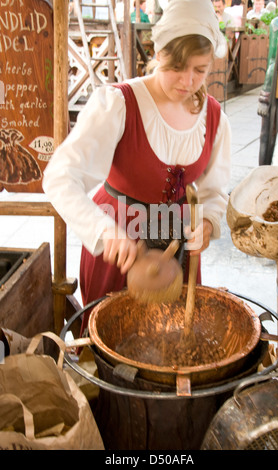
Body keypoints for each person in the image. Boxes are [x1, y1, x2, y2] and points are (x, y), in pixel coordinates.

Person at [43, 0, 231, 334]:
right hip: (120, 251)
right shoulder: (118, 104)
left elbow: (215, 191)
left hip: (180, 260)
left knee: (176, 342)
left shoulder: (215, 117)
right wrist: (104, 230)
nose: (189, 81)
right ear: (158, 53)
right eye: (178, 67)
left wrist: (208, 223)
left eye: (200, 70)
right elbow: (59, 177)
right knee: (114, 344)